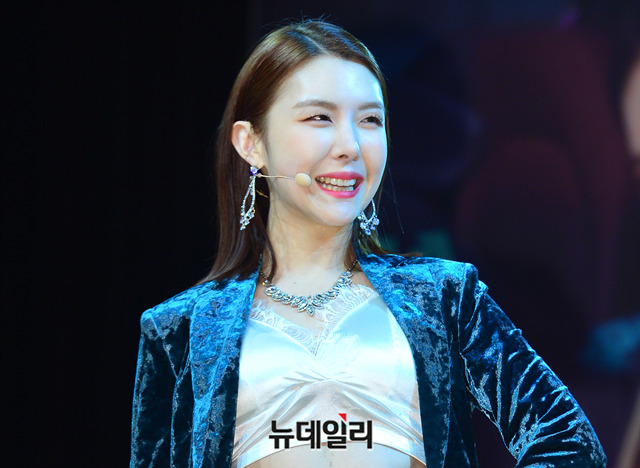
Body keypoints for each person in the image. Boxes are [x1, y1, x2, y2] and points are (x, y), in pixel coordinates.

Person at [130, 20, 606, 468]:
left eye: (370, 120)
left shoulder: (443, 298)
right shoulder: (181, 329)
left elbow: (569, 439)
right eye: (319, 117)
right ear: (250, 142)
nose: (351, 146)